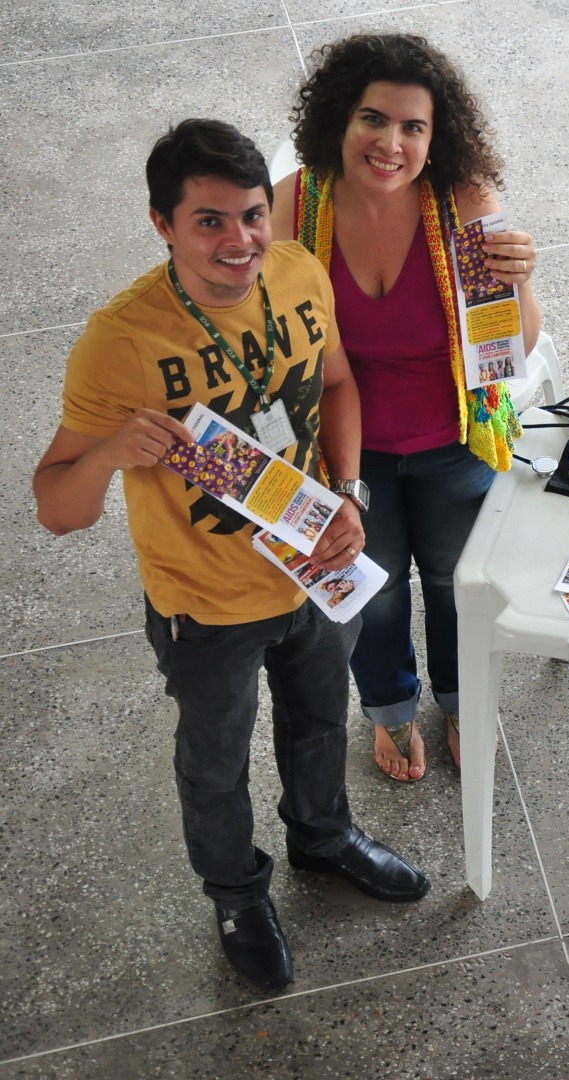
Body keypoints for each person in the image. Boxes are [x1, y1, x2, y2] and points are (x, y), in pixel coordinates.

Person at [34, 120, 430, 991]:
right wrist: (107, 454)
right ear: (161, 224)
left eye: (251, 216)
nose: (239, 242)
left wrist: (352, 494)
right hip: (204, 605)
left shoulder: (295, 272)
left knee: (322, 721)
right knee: (214, 759)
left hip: (314, 572)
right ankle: (236, 892)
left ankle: (325, 840)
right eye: (208, 222)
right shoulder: (122, 341)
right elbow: (55, 506)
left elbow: (334, 383)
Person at [272, 33, 542, 782]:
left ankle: (464, 699)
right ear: (339, 120)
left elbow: (511, 346)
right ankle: (389, 712)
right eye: (373, 119)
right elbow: (277, 338)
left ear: (436, 136)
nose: (390, 143)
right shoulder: (298, 205)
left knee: (459, 582)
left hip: (453, 438)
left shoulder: (464, 204)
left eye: (413, 127)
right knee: (375, 587)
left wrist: (519, 281)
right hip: (348, 448)